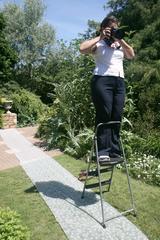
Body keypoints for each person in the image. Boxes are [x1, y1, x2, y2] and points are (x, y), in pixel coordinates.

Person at [79, 15, 135, 162]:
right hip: (101, 80)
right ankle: (102, 151)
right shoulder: (99, 44)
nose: (113, 30)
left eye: (115, 28)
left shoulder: (119, 45)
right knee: (104, 113)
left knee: (116, 115)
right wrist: (101, 36)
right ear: (104, 28)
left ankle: (114, 151)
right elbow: (82, 48)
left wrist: (120, 38)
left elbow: (131, 55)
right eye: (111, 28)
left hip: (119, 82)